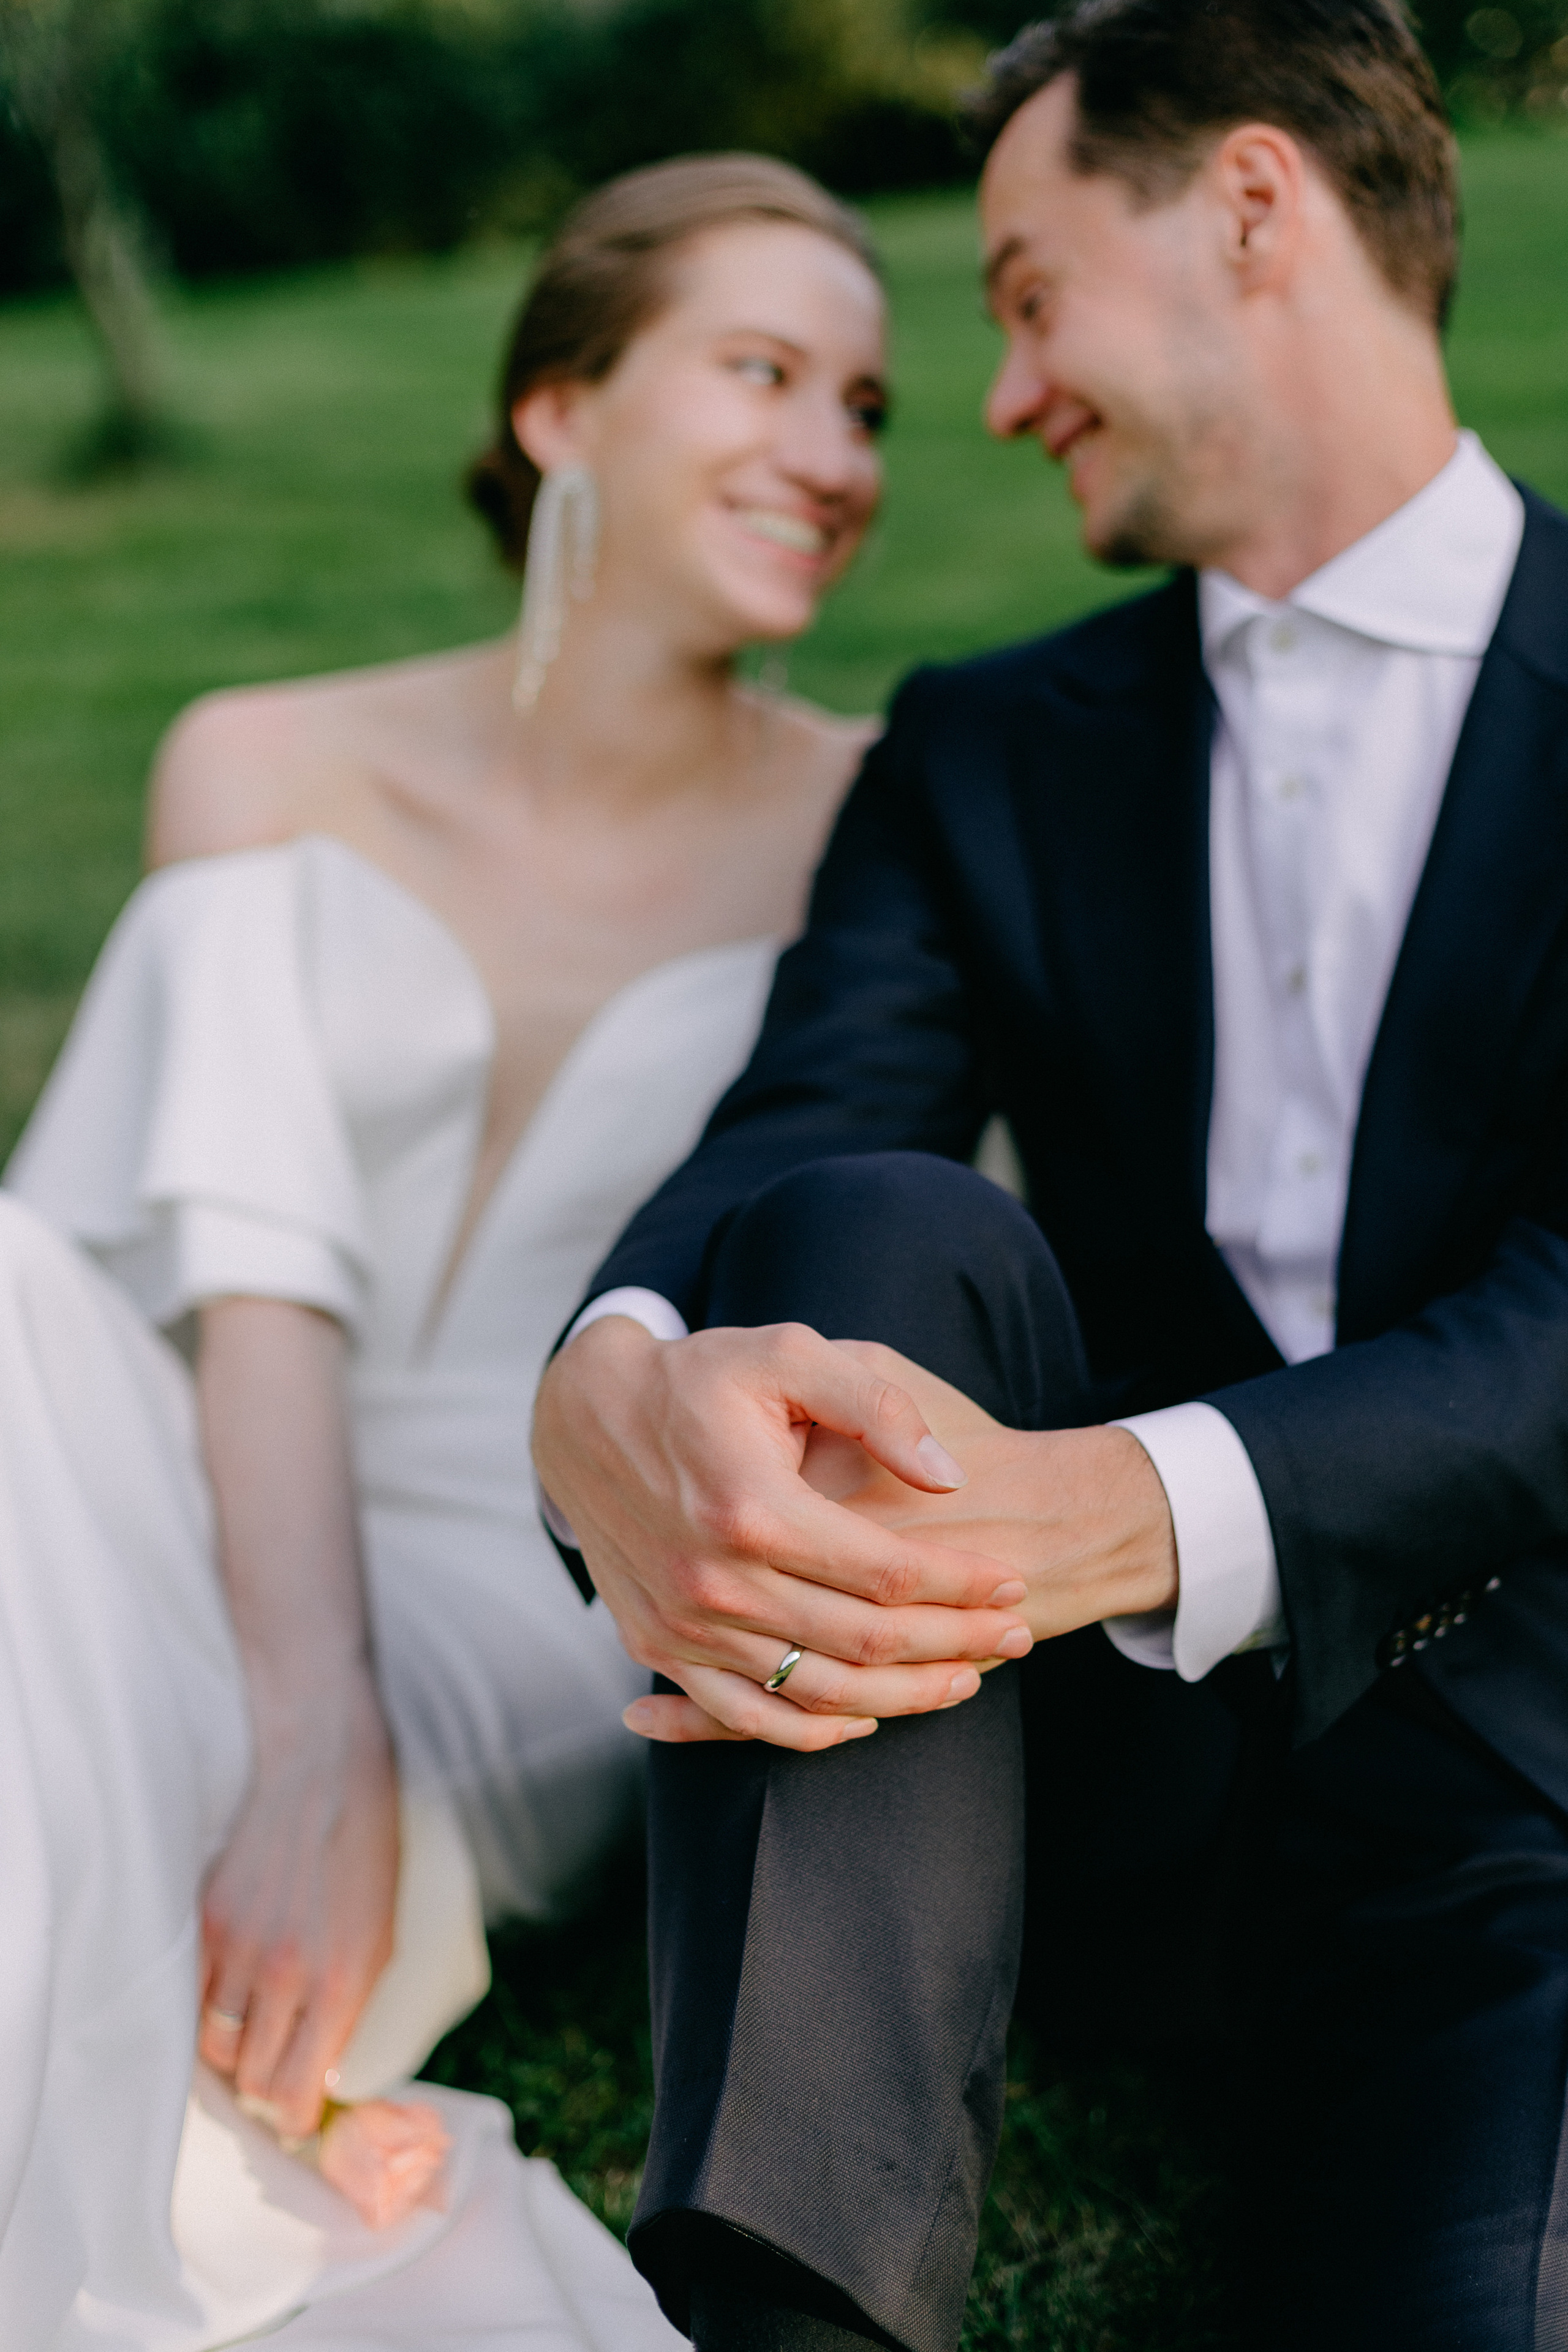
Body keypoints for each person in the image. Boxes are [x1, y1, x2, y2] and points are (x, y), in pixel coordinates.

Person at [532, 8, 1568, 2349]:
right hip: (1064, 1756)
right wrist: (600, 1379)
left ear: (1251, 206)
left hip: (1519, 1790)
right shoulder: (986, 747)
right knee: (862, 1238)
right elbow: (800, 1125)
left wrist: (1128, 1503)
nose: (1001, 399)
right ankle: (789, 2308)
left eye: (1022, 294)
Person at [0, 151, 888, 2345]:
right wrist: (311, 1725)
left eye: (866, 404)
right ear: (559, 411)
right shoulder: (264, 760)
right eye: (763, 371)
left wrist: (365, 1743)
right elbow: (250, 1295)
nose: (834, 454)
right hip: (169, 1442)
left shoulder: (879, 817)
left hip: (531, 1573)